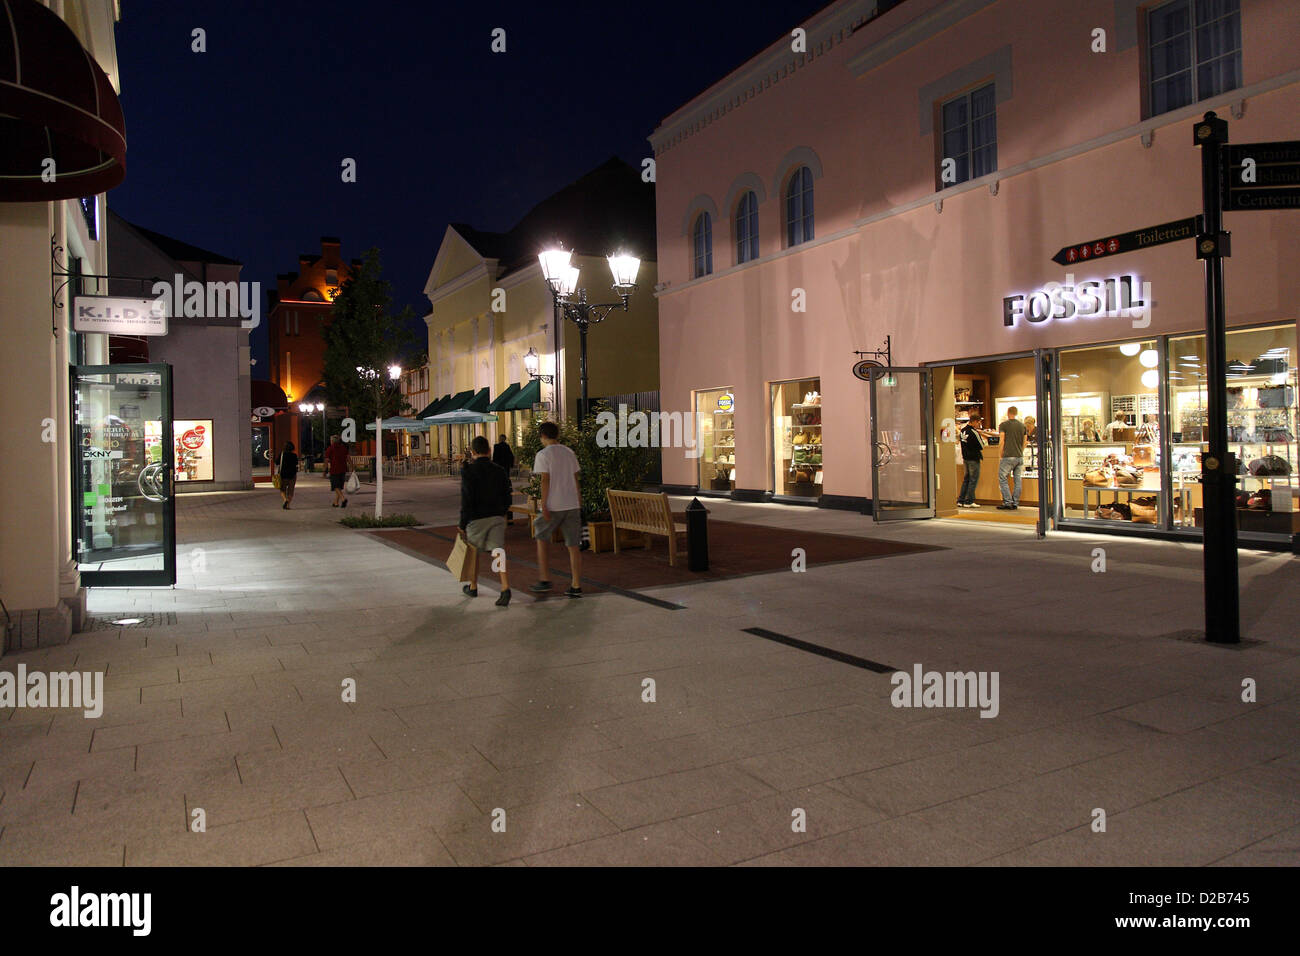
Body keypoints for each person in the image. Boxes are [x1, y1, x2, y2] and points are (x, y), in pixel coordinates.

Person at [529, 421, 583, 597]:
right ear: (557, 435)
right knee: (573, 545)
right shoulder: (569, 452)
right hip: (572, 503)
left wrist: (543, 504)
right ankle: (576, 584)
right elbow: (576, 478)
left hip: (554, 504)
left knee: (541, 536)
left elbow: (545, 480)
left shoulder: (543, 455)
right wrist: (579, 500)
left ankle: (544, 579)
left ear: (542, 436)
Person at [459, 435, 513, 606]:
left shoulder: (469, 471)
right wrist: (503, 512)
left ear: (473, 452)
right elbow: (507, 494)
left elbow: (466, 499)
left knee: (474, 552)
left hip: (477, 518)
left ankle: (473, 586)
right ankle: (505, 587)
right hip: (497, 515)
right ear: (489, 451)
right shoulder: (499, 470)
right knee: (498, 551)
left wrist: (462, 523)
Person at [956, 415, 997, 508]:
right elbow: (982, 445)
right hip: (973, 458)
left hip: (965, 457)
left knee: (966, 479)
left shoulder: (963, 430)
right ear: (974, 421)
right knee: (973, 479)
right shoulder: (974, 432)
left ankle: (961, 499)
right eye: (978, 422)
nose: (979, 424)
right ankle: (969, 501)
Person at [996, 406, 1028, 510]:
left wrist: (1000, 454)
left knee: (1002, 478)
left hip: (1008, 456)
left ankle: (1007, 502)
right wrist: (1020, 451)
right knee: (1017, 479)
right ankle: (1015, 502)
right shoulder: (1023, 426)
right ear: (1016, 413)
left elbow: (1002, 440)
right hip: (1019, 456)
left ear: (1008, 412)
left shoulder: (1003, 425)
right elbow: (1025, 442)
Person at [493, 435, 517, 523]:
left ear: (500, 439)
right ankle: (510, 518)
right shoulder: (507, 446)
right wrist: (510, 465)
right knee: (508, 495)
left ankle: (501, 517)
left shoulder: (497, 446)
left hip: (499, 470)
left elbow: (495, 458)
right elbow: (511, 457)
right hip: (506, 471)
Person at [324, 434, 350, 508]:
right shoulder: (343, 448)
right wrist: (352, 466)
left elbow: (326, 460)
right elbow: (348, 457)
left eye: (330, 440)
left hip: (334, 470)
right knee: (339, 487)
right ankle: (336, 503)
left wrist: (324, 471)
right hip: (343, 470)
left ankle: (343, 499)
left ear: (332, 441)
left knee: (335, 486)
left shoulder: (330, 448)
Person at [277, 441, 298, 509]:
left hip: (283, 475)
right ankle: (288, 505)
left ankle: (285, 499)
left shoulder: (282, 454)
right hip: (292, 475)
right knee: (291, 491)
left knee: (282, 489)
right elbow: (296, 464)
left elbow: (277, 462)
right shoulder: (294, 455)